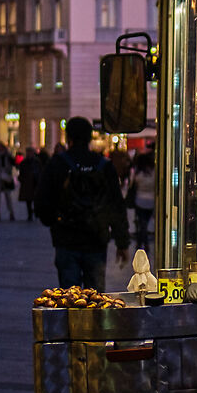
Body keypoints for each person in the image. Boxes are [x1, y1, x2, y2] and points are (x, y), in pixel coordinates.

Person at [37, 117, 128, 289]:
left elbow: (42, 200)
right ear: (89, 138)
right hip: (96, 239)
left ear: (68, 137)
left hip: (66, 237)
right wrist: (121, 242)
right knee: (95, 295)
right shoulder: (104, 165)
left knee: (70, 296)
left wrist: (53, 221)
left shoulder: (57, 164)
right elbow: (116, 204)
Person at [128, 151, 156, 254]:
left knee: (141, 223)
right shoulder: (154, 172)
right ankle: (143, 244)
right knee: (144, 223)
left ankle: (141, 244)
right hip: (151, 201)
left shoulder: (137, 172)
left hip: (139, 200)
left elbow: (131, 185)